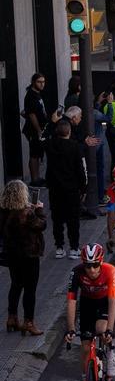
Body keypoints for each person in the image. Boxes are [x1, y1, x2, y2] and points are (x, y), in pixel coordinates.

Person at [65, 243, 115, 381]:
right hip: (87, 304)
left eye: (95, 265)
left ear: (101, 262)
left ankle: (110, 353)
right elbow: (71, 302)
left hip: (104, 302)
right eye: (88, 266)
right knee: (85, 347)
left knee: (102, 330)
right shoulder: (76, 272)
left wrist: (110, 329)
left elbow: (112, 302)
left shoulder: (110, 271)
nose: (92, 270)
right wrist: (70, 328)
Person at [2, 180, 47, 335]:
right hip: (29, 256)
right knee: (30, 289)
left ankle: (12, 317)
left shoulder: (4, 211)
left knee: (15, 285)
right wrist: (39, 210)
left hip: (12, 256)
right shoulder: (26, 213)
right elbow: (42, 225)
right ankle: (29, 322)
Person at [45, 120, 86, 259]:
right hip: (71, 189)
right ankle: (74, 247)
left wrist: (52, 122)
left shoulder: (50, 146)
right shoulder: (74, 147)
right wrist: (83, 188)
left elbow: (45, 137)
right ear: (69, 131)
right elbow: (80, 169)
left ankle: (59, 247)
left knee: (57, 219)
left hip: (55, 188)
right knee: (73, 219)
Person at [22, 73, 49, 184]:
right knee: (34, 154)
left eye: (43, 82)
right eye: (39, 82)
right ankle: (34, 180)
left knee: (37, 154)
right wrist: (38, 130)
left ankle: (37, 178)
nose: (42, 84)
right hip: (34, 130)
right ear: (33, 82)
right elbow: (32, 115)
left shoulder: (37, 94)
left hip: (40, 129)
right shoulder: (31, 95)